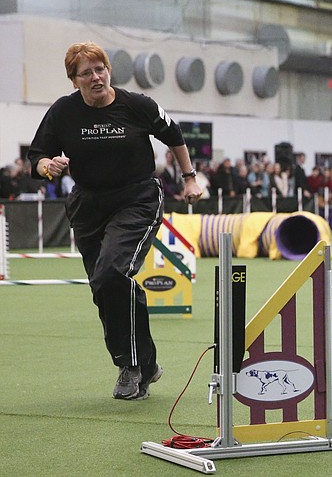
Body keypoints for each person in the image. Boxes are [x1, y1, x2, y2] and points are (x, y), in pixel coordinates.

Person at [27, 42, 203, 401]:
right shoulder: (63, 112)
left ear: (109, 70)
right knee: (104, 287)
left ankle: (130, 366)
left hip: (136, 198)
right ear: (73, 81)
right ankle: (147, 364)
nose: (96, 77)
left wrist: (190, 177)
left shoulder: (136, 105)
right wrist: (48, 166)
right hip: (89, 203)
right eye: (86, 73)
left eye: (100, 69)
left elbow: (174, 135)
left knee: (112, 272)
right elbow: (37, 156)